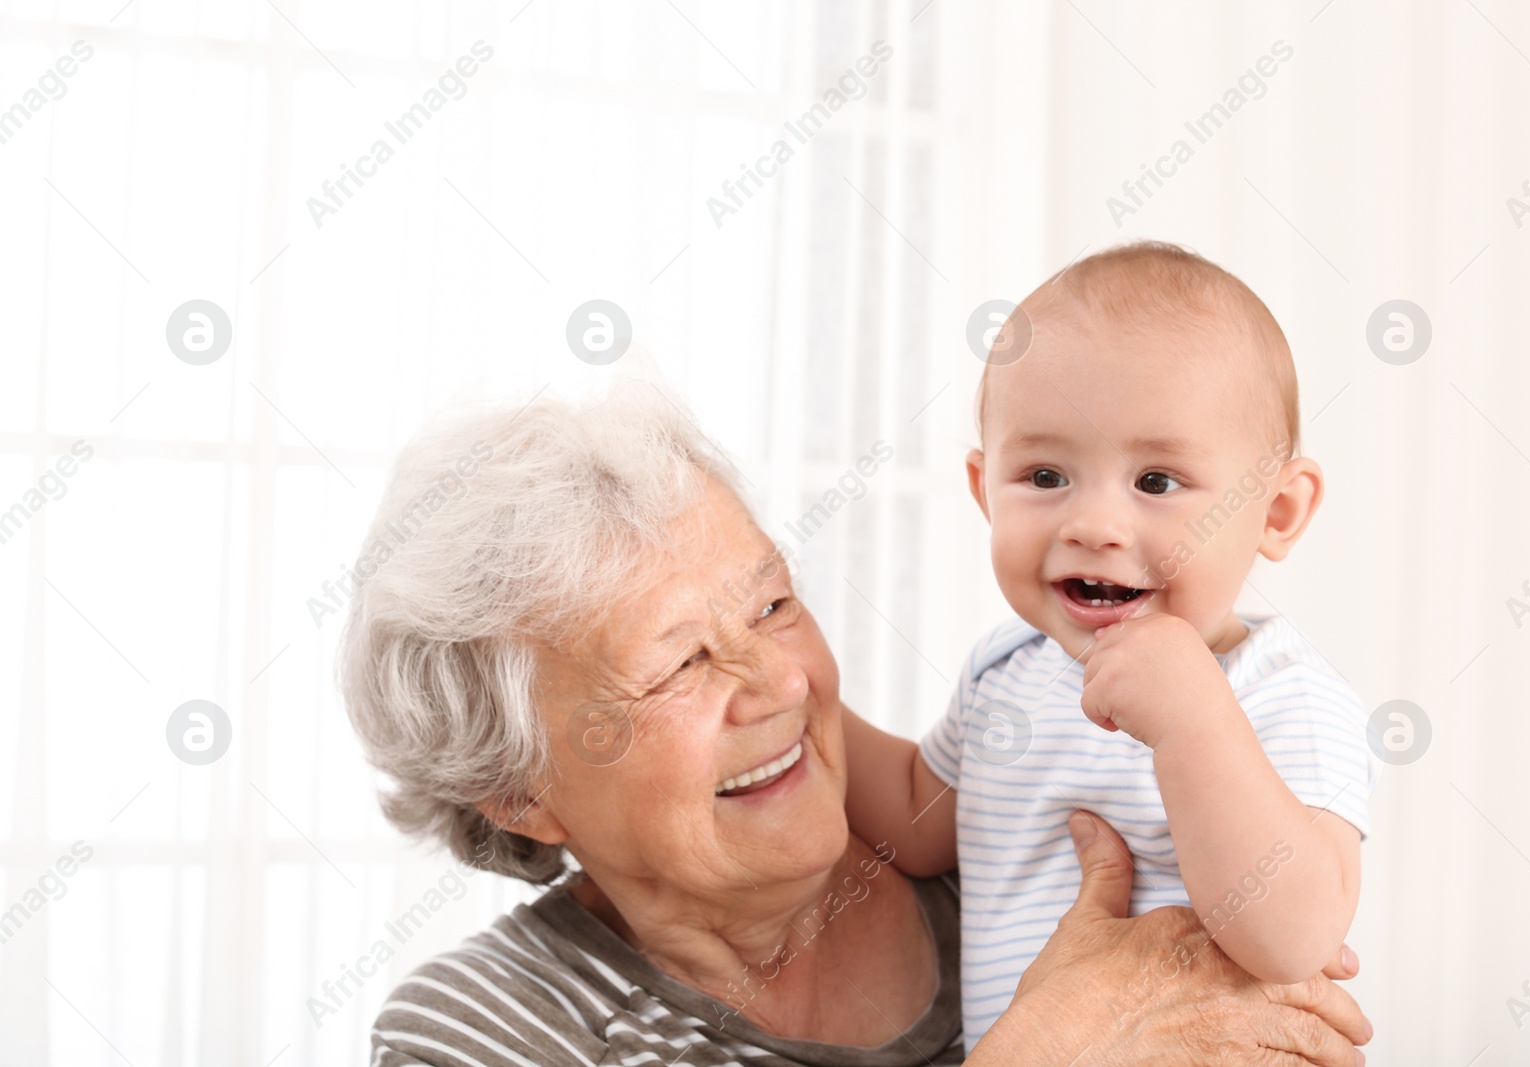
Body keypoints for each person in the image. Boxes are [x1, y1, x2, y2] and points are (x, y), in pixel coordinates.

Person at [339, 382, 1373, 1065]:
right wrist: (1043, 1044)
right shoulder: (492, 1034)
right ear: (519, 789)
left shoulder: (1018, 851)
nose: (779, 682)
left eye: (773, 605)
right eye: (681, 663)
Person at [845, 241, 1379, 1049]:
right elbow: (918, 822)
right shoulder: (1004, 670)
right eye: (1046, 476)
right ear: (983, 491)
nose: (1092, 525)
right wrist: (801, 700)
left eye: (1156, 482)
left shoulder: (1278, 691)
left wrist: (1194, 722)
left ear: (1275, 513)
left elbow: (1296, 936)